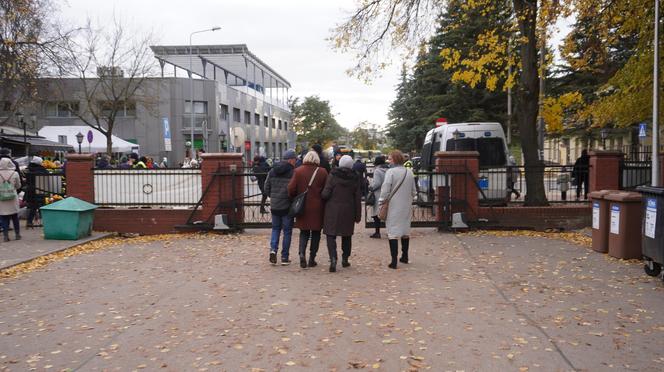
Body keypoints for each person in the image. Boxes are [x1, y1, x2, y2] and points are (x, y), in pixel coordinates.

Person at [288, 151, 328, 268]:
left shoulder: (298, 171)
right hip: (318, 207)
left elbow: (291, 189)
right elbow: (327, 190)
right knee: (316, 233)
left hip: (302, 206)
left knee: (304, 232)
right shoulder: (322, 172)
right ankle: (312, 258)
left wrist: (295, 197)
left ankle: (301, 254)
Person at [321, 155, 362, 272]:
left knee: (330, 235)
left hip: (332, 209)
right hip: (348, 210)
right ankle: (345, 259)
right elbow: (357, 197)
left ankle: (333, 258)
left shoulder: (333, 176)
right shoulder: (355, 178)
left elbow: (325, 193)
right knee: (347, 235)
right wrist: (357, 215)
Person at [379, 150, 416, 269]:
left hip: (393, 206)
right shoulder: (409, 172)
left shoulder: (391, 172)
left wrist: (382, 200)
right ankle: (405, 256)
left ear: (394, 160)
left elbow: (385, 188)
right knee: (405, 231)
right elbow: (414, 191)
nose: (388, 161)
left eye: (390, 159)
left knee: (393, 233)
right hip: (406, 206)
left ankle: (393, 260)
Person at [264, 149, 297, 265]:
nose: (296, 161)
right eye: (295, 159)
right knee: (287, 231)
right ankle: (284, 257)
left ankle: (273, 250)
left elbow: (266, 187)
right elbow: (294, 189)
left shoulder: (272, 171)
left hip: (275, 206)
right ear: (291, 160)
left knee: (275, 229)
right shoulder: (293, 172)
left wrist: (272, 196)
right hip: (287, 206)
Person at [0, 158, 21, 241]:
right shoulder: (15, 173)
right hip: (13, 197)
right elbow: (18, 186)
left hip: (1, 198)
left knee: (4, 217)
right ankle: (17, 234)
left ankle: (5, 236)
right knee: (15, 217)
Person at [24, 156, 48, 228]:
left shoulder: (29, 170)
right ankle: (44, 221)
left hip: (31, 191)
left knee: (33, 207)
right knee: (43, 206)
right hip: (41, 190)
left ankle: (29, 221)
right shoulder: (43, 170)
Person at [369, 155, 389, 238]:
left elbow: (377, 183)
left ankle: (377, 232)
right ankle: (389, 231)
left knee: (376, 214)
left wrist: (371, 187)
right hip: (387, 193)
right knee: (387, 213)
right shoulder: (388, 169)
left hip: (378, 193)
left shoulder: (377, 171)